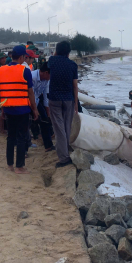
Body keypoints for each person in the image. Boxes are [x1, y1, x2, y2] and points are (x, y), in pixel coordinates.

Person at [0, 46, 39, 174]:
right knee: (21, 137)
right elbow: (31, 93)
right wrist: (35, 109)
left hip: (8, 108)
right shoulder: (24, 70)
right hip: (22, 109)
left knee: (11, 137)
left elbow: (2, 90)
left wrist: (3, 108)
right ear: (22, 57)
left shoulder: (2, 69)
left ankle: (10, 165)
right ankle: (19, 167)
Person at [48, 40, 79, 168]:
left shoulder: (52, 61)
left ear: (57, 50)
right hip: (68, 98)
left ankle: (64, 157)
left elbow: (50, 63)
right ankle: (65, 150)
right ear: (68, 52)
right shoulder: (72, 65)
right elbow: (75, 85)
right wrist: (76, 103)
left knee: (58, 128)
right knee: (66, 126)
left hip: (54, 98)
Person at [31, 62, 55, 152]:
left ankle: (48, 146)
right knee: (27, 123)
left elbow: (46, 98)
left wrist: (48, 114)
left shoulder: (47, 80)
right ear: (46, 73)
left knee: (45, 120)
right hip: (26, 101)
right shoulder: (32, 77)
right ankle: (25, 150)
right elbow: (31, 95)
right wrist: (34, 110)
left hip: (36, 100)